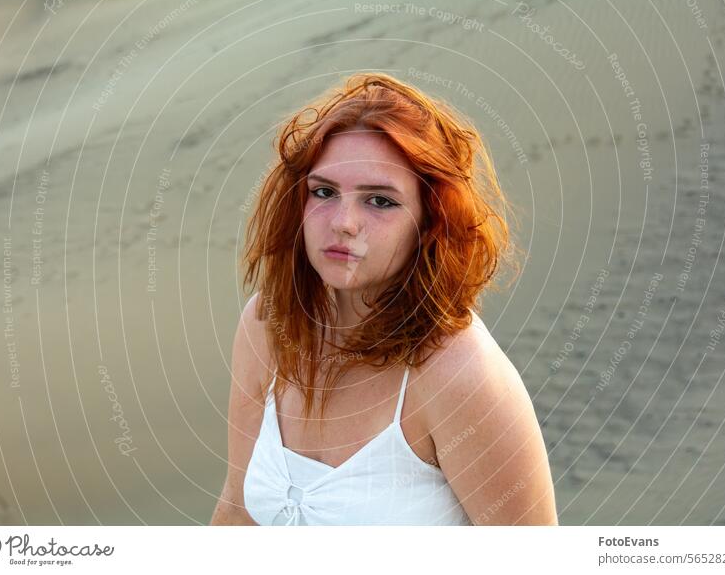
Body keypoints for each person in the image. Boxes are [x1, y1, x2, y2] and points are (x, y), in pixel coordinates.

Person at [210, 72, 557, 526]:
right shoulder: (266, 324)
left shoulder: (460, 377)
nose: (344, 223)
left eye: (379, 201)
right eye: (324, 192)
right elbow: (238, 510)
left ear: (430, 222)